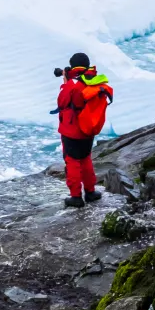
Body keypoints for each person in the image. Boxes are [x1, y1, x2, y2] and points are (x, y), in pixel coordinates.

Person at [55, 52, 113, 208]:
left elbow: (62, 102)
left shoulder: (74, 84)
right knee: (86, 158)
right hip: (88, 128)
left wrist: (66, 82)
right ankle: (90, 191)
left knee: (72, 161)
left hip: (72, 130)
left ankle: (76, 196)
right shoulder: (94, 81)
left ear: (73, 66)